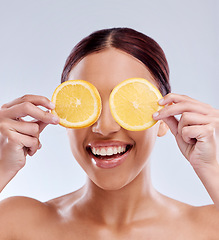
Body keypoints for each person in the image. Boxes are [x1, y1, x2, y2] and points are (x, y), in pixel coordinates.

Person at [0, 27, 219, 239]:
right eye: (86, 103)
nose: (104, 128)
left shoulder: (209, 228)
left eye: (129, 103)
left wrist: (210, 169)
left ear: (165, 117)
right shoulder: (16, 223)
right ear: (64, 116)